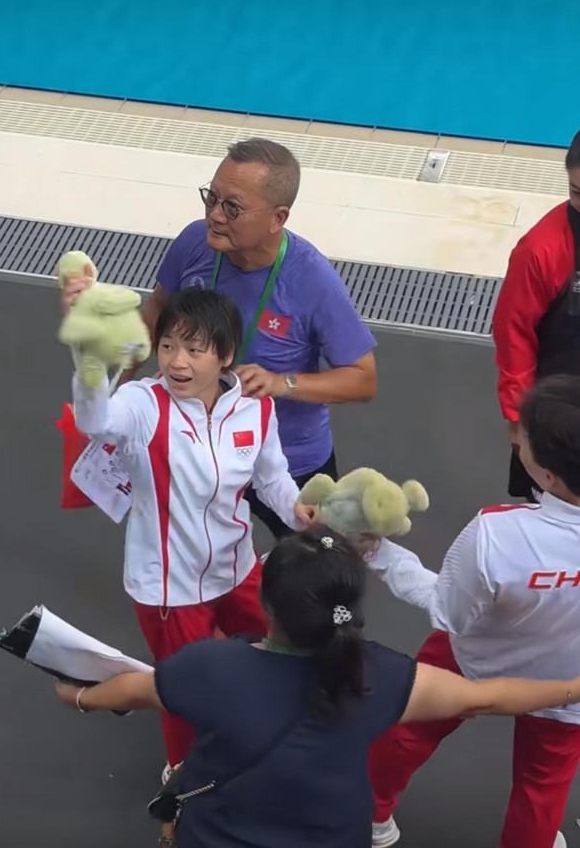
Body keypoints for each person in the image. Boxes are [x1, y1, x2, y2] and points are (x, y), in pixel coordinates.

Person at [55, 525, 580, 848]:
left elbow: (131, 691)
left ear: (266, 605)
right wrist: (569, 691)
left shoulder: (207, 667)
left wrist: (80, 696)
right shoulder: (384, 677)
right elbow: (488, 697)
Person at [69, 289, 315, 791]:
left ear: (225, 356)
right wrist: (90, 358)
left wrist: (297, 509)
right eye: (167, 346)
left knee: (281, 653)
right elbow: (93, 421)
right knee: (184, 690)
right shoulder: (143, 404)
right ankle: (183, 778)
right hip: (169, 588)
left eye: (195, 349)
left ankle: (275, 737)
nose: (177, 362)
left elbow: (271, 478)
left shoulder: (253, 408)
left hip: (240, 568)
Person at [366, 375, 580, 848]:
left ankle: (370, 816)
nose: (515, 434)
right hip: (571, 690)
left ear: (547, 475)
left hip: (474, 663)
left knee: (408, 733)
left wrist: (380, 554)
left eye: (525, 436)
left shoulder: (496, 532)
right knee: (543, 786)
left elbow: (450, 614)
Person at [143, 137, 376, 537]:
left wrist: (279, 383)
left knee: (316, 580)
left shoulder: (312, 281)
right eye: (211, 198)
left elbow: (363, 378)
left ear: (277, 217)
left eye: (232, 207)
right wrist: (120, 374)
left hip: (288, 459)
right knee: (200, 568)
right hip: (201, 450)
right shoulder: (193, 243)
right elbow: (156, 310)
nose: (215, 216)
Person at [493, 128, 580, 502]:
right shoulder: (540, 249)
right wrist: (517, 418)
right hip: (555, 421)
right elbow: (514, 337)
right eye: (577, 193)